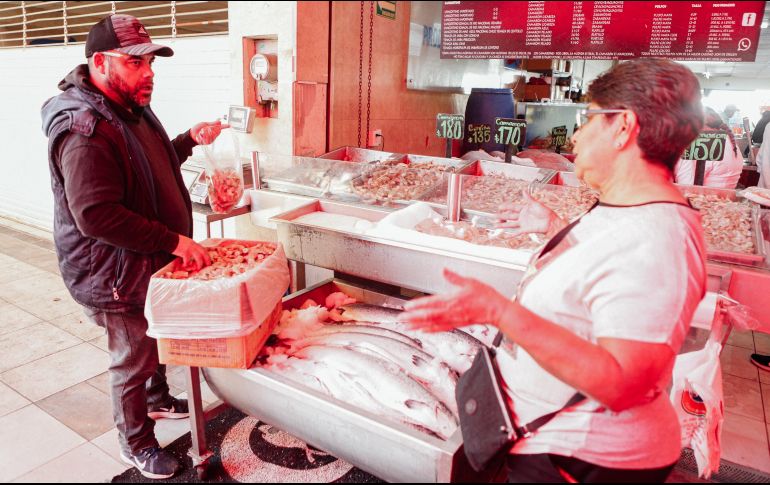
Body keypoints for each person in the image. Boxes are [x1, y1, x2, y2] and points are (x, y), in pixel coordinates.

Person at [399, 59, 707, 483]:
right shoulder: (628, 207)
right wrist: (553, 226)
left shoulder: (657, 236)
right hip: (550, 439)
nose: (577, 134)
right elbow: (605, 271)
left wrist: (500, 313)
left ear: (623, 128)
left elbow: (622, 383)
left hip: (585, 460)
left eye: (589, 118)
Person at [41, 14, 227, 480]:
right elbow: (95, 215)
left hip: (143, 263)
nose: (148, 73)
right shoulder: (86, 130)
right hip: (113, 273)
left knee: (153, 337)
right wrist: (174, 241)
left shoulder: (129, 107)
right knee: (132, 356)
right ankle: (136, 442)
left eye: (151, 63)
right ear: (101, 63)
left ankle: (157, 399)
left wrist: (187, 140)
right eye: (135, 62)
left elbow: (148, 167)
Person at [674, 107, 744, 189]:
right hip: (726, 198)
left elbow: (687, 187)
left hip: (705, 199)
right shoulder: (729, 140)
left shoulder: (703, 143)